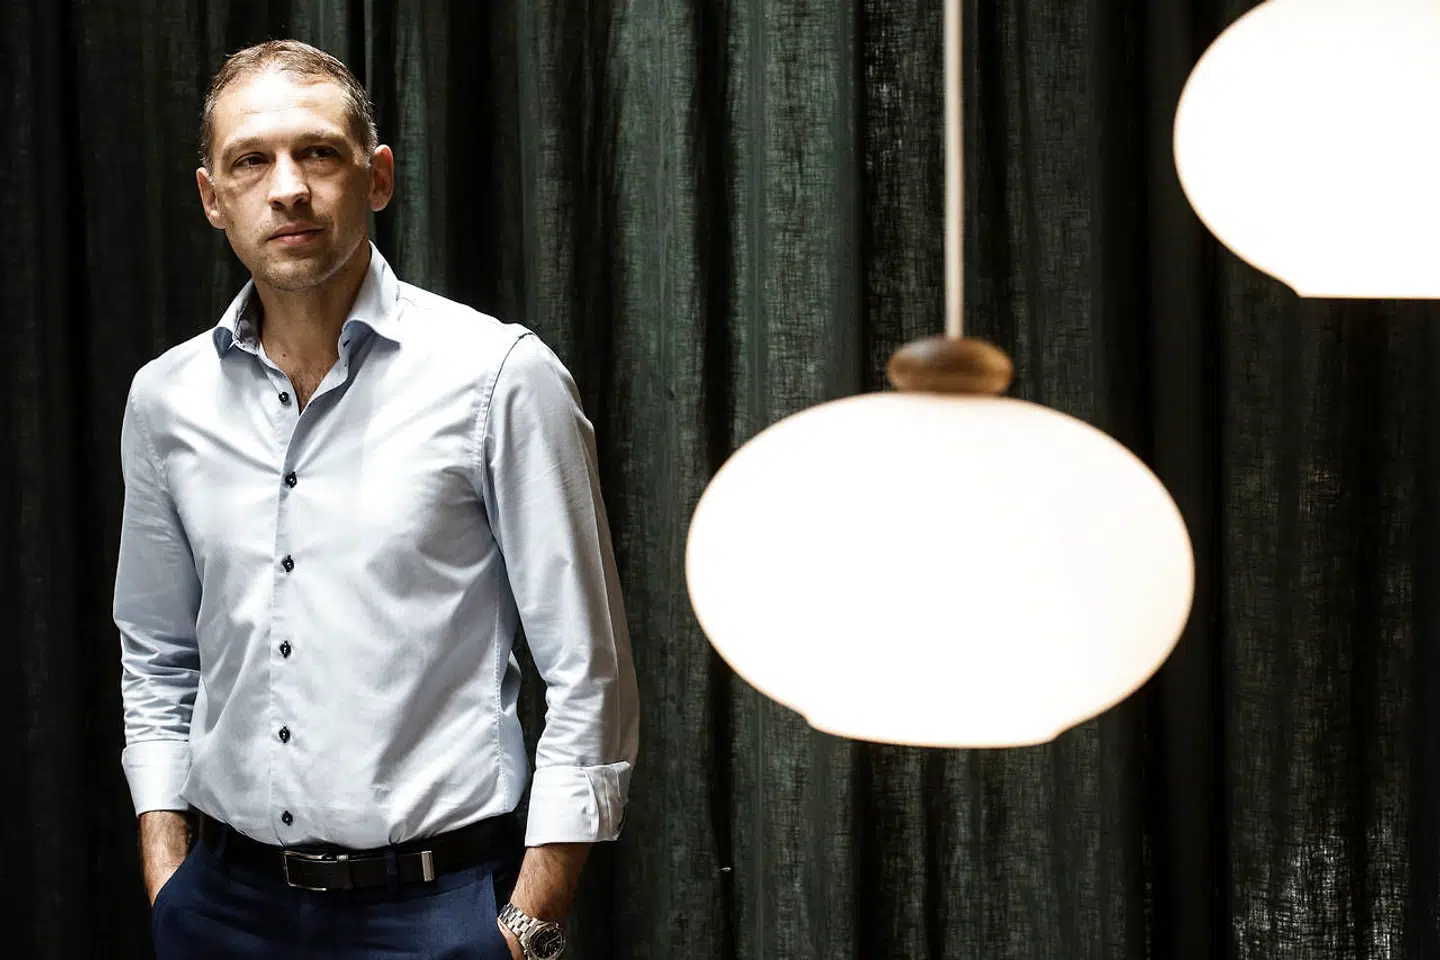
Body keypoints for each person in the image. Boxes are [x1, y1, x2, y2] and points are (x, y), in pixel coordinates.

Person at [113, 39, 639, 960]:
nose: (288, 188)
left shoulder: (499, 378)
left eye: (318, 152)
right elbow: (157, 655)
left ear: (378, 177)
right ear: (212, 198)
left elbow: (588, 674)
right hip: (221, 909)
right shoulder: (166, 400)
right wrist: (169, 875)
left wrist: (528, 925)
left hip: (435, 913)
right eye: (251, 160)